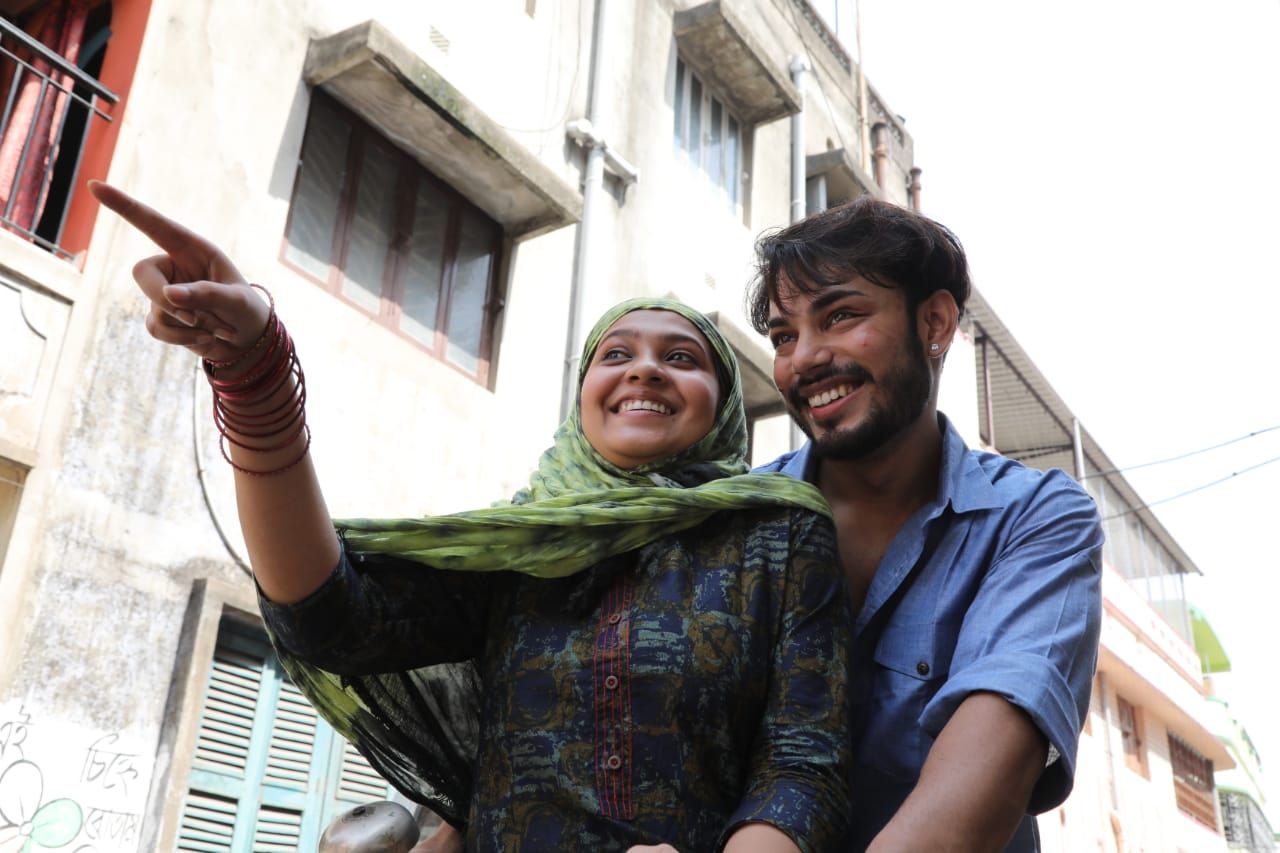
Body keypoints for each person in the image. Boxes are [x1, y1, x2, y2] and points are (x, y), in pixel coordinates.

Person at [90, 180, 853, 852]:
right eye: (616, 354)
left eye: (682, 357)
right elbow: (331, 619)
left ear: (724, 407)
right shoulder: (518, 546)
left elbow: (805, 762)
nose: (646, 369)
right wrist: (255, 372)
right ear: (582, 399)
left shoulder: (779, 534)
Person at [749, 196, 1103, 852]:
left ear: (935, 321)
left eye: (840, 316)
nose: (804, 359)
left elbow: (984, 778)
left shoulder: (1034, 517)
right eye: (783, 336)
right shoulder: (733, 519)